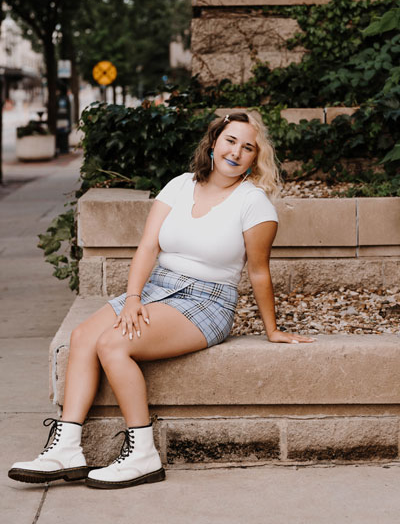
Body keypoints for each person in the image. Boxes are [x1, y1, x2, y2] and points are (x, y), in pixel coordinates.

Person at [8, 111, 315, 490]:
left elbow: (258, 272)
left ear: (255, 158)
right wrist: (134, 296)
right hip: (157, 288)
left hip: (208, 299)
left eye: (247, 147)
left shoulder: (254, 204)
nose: (236, 151)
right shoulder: (180, 185)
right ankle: (67, 448)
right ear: (214, 142)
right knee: (84, 336)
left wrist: (272, 330)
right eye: (231, 140)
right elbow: (148, 246)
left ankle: (142, 454)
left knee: (113, 344)